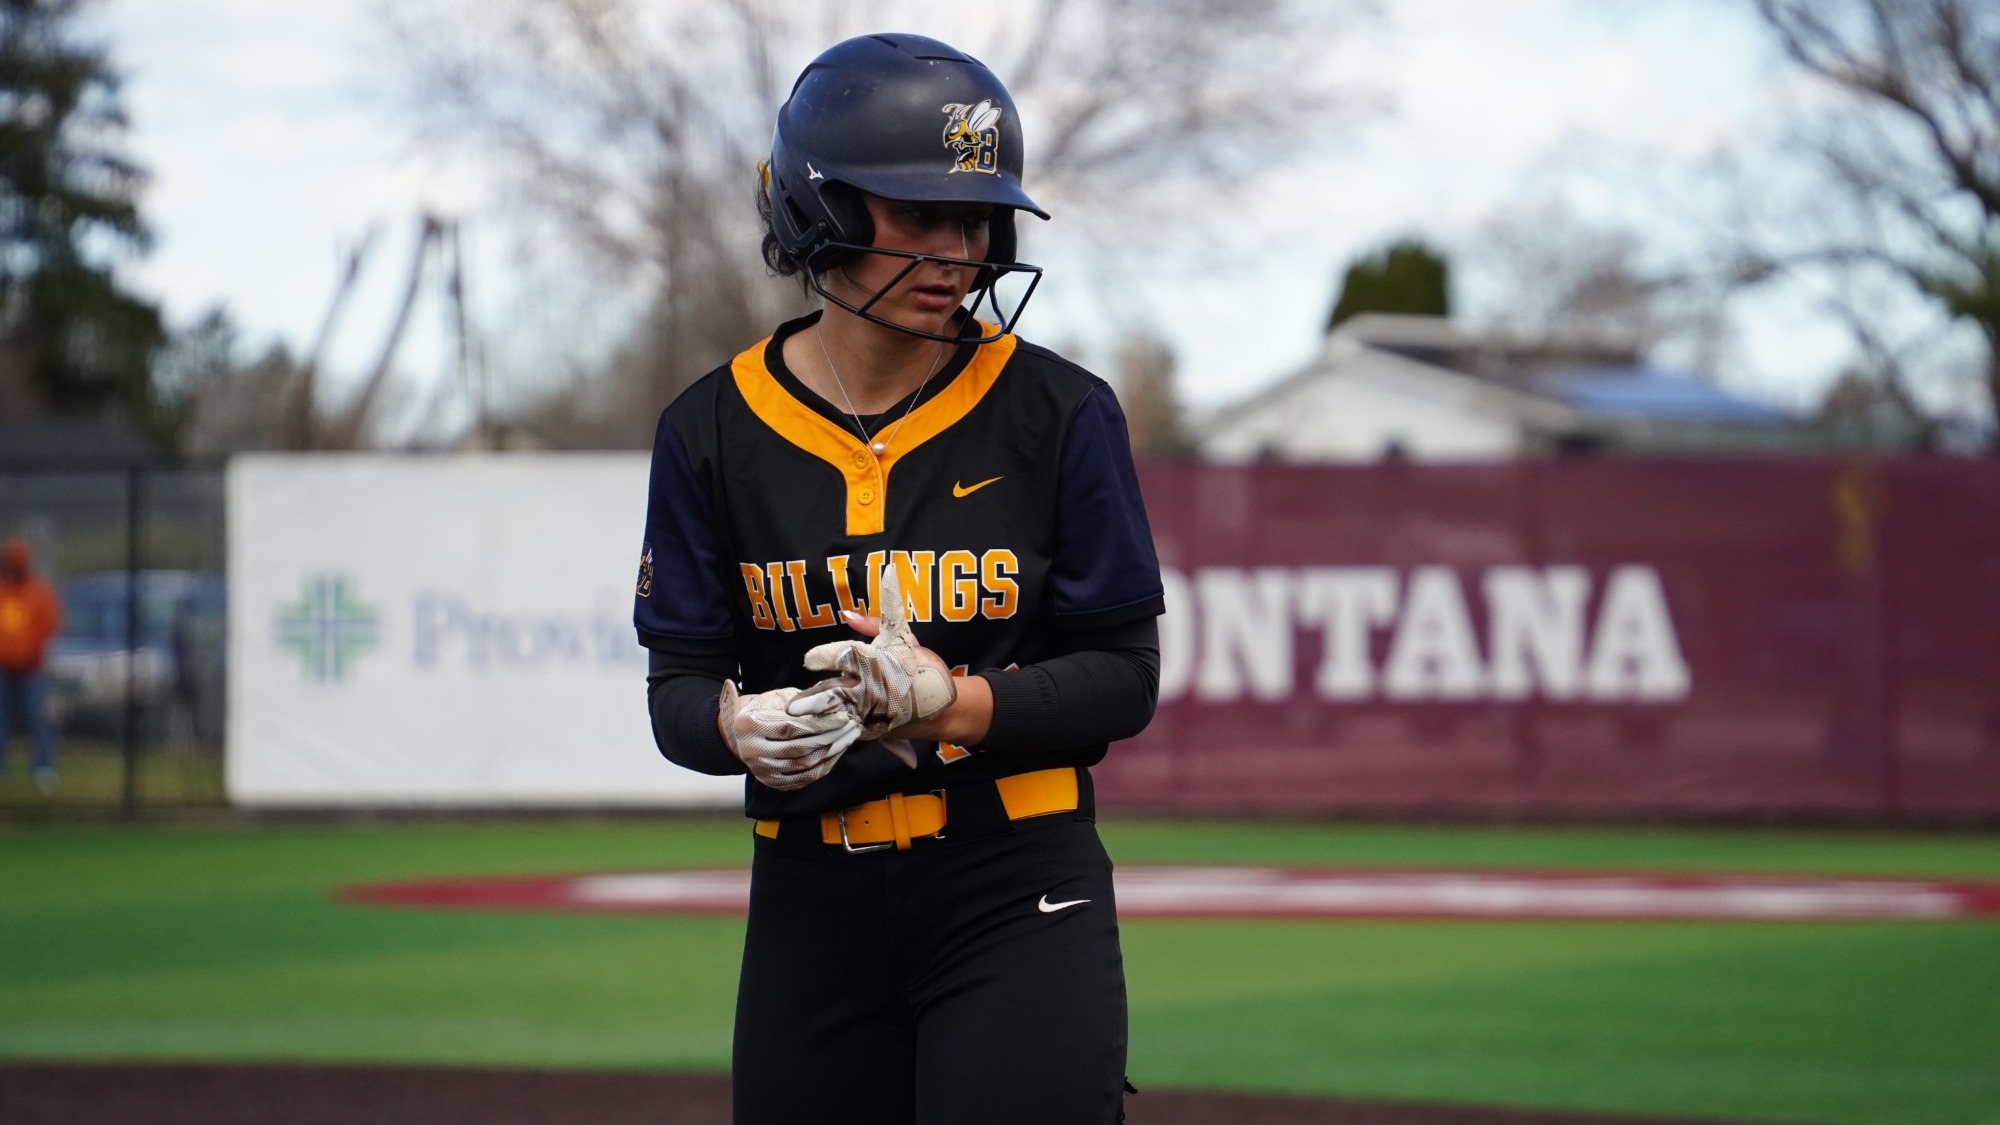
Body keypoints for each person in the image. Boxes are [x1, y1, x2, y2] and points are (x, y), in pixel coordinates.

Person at [634, 32, 1163, 1125]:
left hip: (1015, 883)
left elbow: (1122, 678)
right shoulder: (707, 429)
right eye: (917, 212)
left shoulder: (1058, 412)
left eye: (975, 217)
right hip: (806, 903)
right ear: (815, 213)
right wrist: (733, 728)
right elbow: (676, 690)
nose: (957, 249)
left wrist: (954, 702)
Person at [0, 537, 64, 794]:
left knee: (38, 717)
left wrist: (27, 648)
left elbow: (49, 624)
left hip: (31, 670)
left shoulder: (38, 592)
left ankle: (43, 767)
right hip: (3, 669)